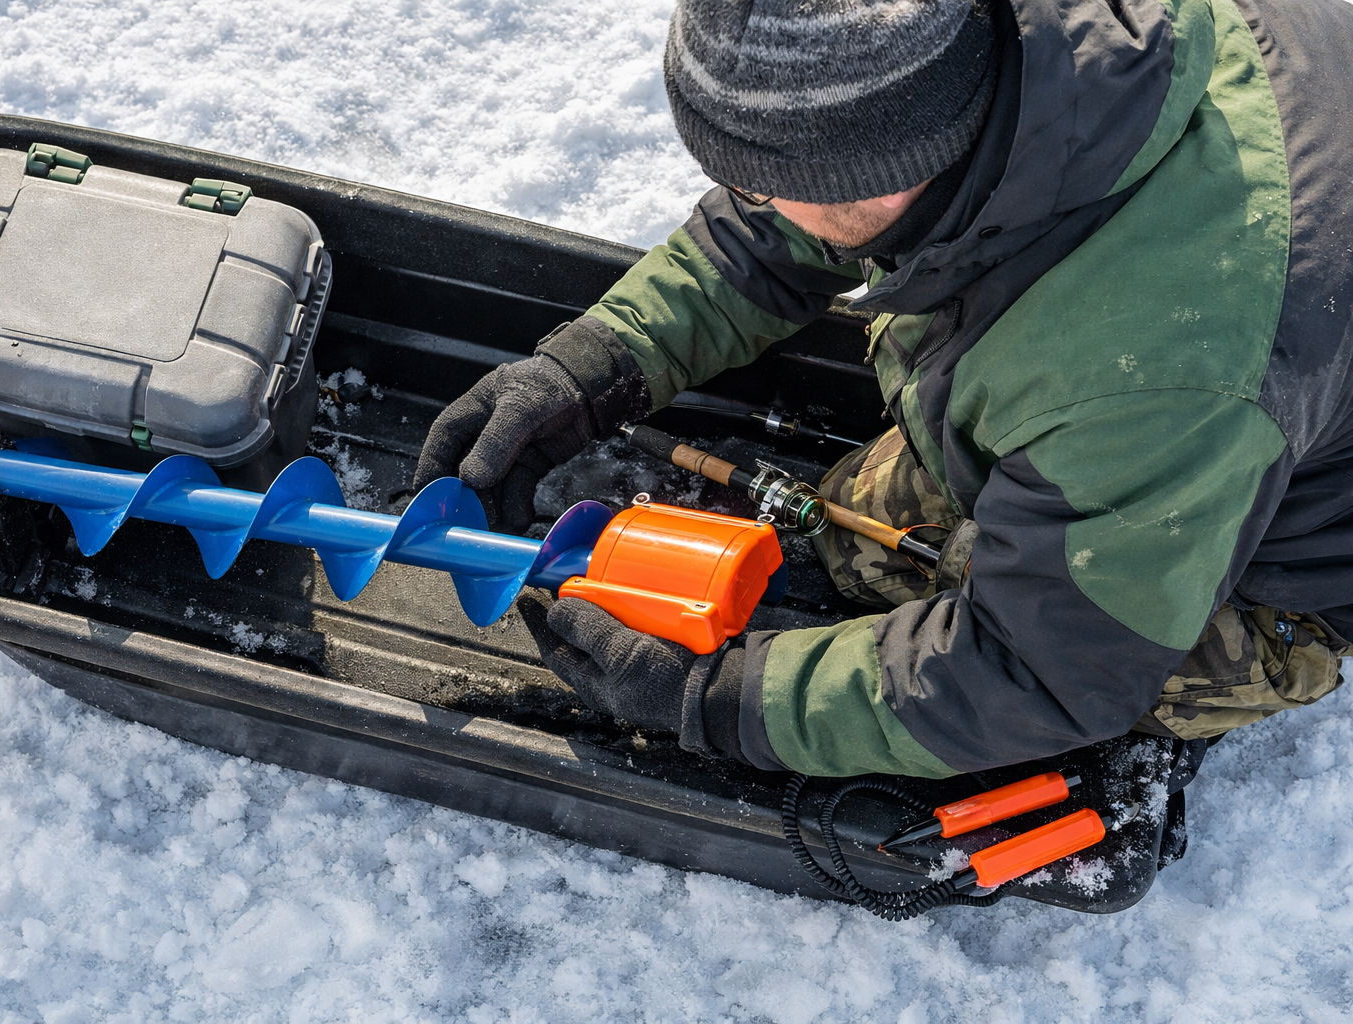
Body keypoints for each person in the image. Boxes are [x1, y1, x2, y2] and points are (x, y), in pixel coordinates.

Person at [414, 0, 1353, 778]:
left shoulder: (1151, 367)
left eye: (775, 182)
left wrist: (723, 700)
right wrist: (598, 362)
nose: (757, 205)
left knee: (955, 609)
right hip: (1221, 374)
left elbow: (1043, 671)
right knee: (852, 528)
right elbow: (794, 215)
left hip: (1287, 561)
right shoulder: (986, 59)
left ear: (899, 168)